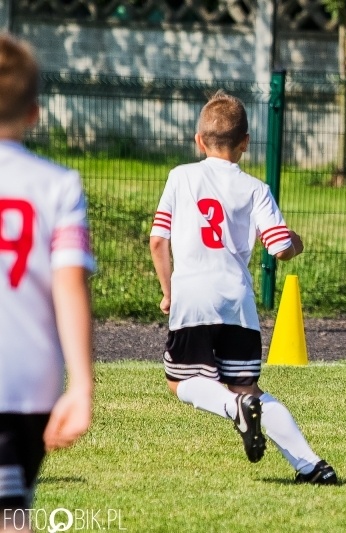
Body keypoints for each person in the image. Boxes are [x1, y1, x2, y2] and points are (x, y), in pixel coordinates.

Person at [149, 90, 337, 484]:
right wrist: (297, 242)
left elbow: (158, 240)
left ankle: (233, 409)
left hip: (193, 297)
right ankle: (312, 465)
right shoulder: (255, 188)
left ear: (199, 140)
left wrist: (168, 291)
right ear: (245, 143)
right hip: (237, 302)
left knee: (180, 381)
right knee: (247, 387)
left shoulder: (181, 177)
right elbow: (281, 247)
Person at [0, 34, 95, 531]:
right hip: (29, 383)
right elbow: (69, 284)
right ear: (34, 113)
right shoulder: (59, 184)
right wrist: (82, 384)